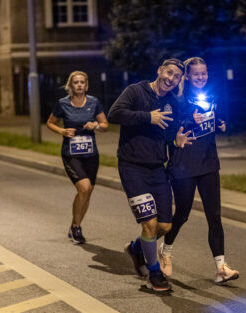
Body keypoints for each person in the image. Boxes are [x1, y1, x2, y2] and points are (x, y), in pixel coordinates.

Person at [107, 58, 194, 292]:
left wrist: (176, 140)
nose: (171, 79)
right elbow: (114, 114)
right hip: (132, 167)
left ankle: (136, 248)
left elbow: (168, 132)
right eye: (169, 73)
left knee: (164, 227)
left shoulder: (172, 101)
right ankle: (154, 274)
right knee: (149, 224)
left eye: (176, 77)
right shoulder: (136, 91)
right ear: (159, 70)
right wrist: (147, 116)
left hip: (157, 168)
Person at [160, 57, 239, 284]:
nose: (201, 77)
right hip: (183, 166)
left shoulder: (211, 97)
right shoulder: (176, 100)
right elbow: (170, 131)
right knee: (182, 214)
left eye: (204, 73)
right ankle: (165, 252)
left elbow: (215, 121)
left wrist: (221, 124)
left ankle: (221, 268)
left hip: (208, 163)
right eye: (196, 74)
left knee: (214, 216)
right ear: (187, 76)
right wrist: (189, 120)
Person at [47, 70, 108, 244]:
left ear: (86, 85)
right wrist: (62, 131)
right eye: (76, 82)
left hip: (91, 154)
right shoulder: (63, 103)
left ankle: (76, 225)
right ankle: (76, 227)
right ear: (70, 85)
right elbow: (50, 123)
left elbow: (105, 125)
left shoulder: (94, 102)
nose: (79, 85)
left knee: (87, 193)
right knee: (84, 187)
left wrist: (96, 125)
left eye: (82, 82)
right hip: (71, 154)